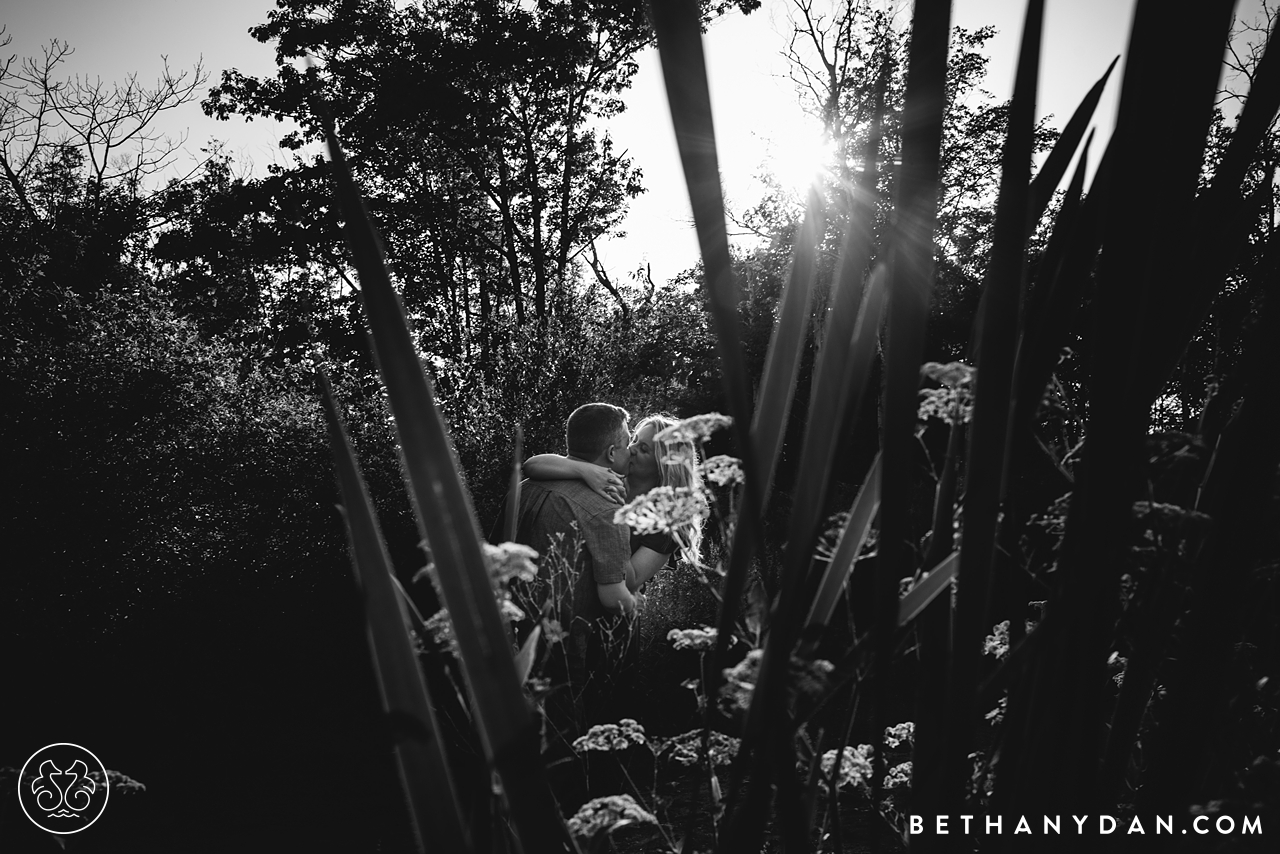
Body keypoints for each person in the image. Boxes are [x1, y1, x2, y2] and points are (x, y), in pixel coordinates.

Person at [523, 413, 705, 584]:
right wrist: (585, 470)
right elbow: (532, 465)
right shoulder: (607, 477)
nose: (631, 449)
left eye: (643, 449)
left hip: (607, 609)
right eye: (634, 440)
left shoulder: (666, 523)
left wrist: (609, 526)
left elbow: (631, 581)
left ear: (664, 467)